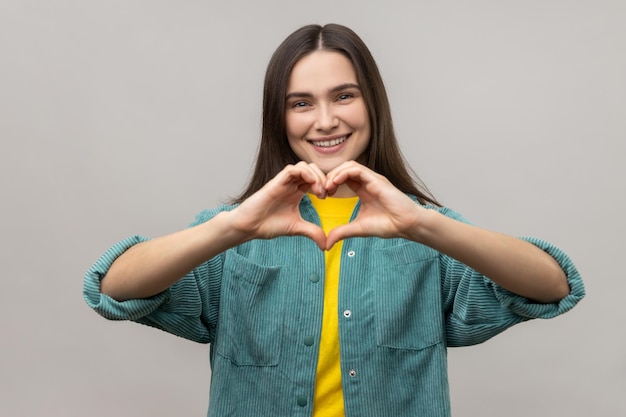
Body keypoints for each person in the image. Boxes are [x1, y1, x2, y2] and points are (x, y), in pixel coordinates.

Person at [83, 23, 585, 417]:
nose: (325, 120)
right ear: (279, 119)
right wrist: (233, 227)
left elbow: (554, 286)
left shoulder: (424, 230)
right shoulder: (235, 231)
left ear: (373, 103)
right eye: (302, 104)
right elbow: (113, 288)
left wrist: (422, 224)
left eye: (344, 96)